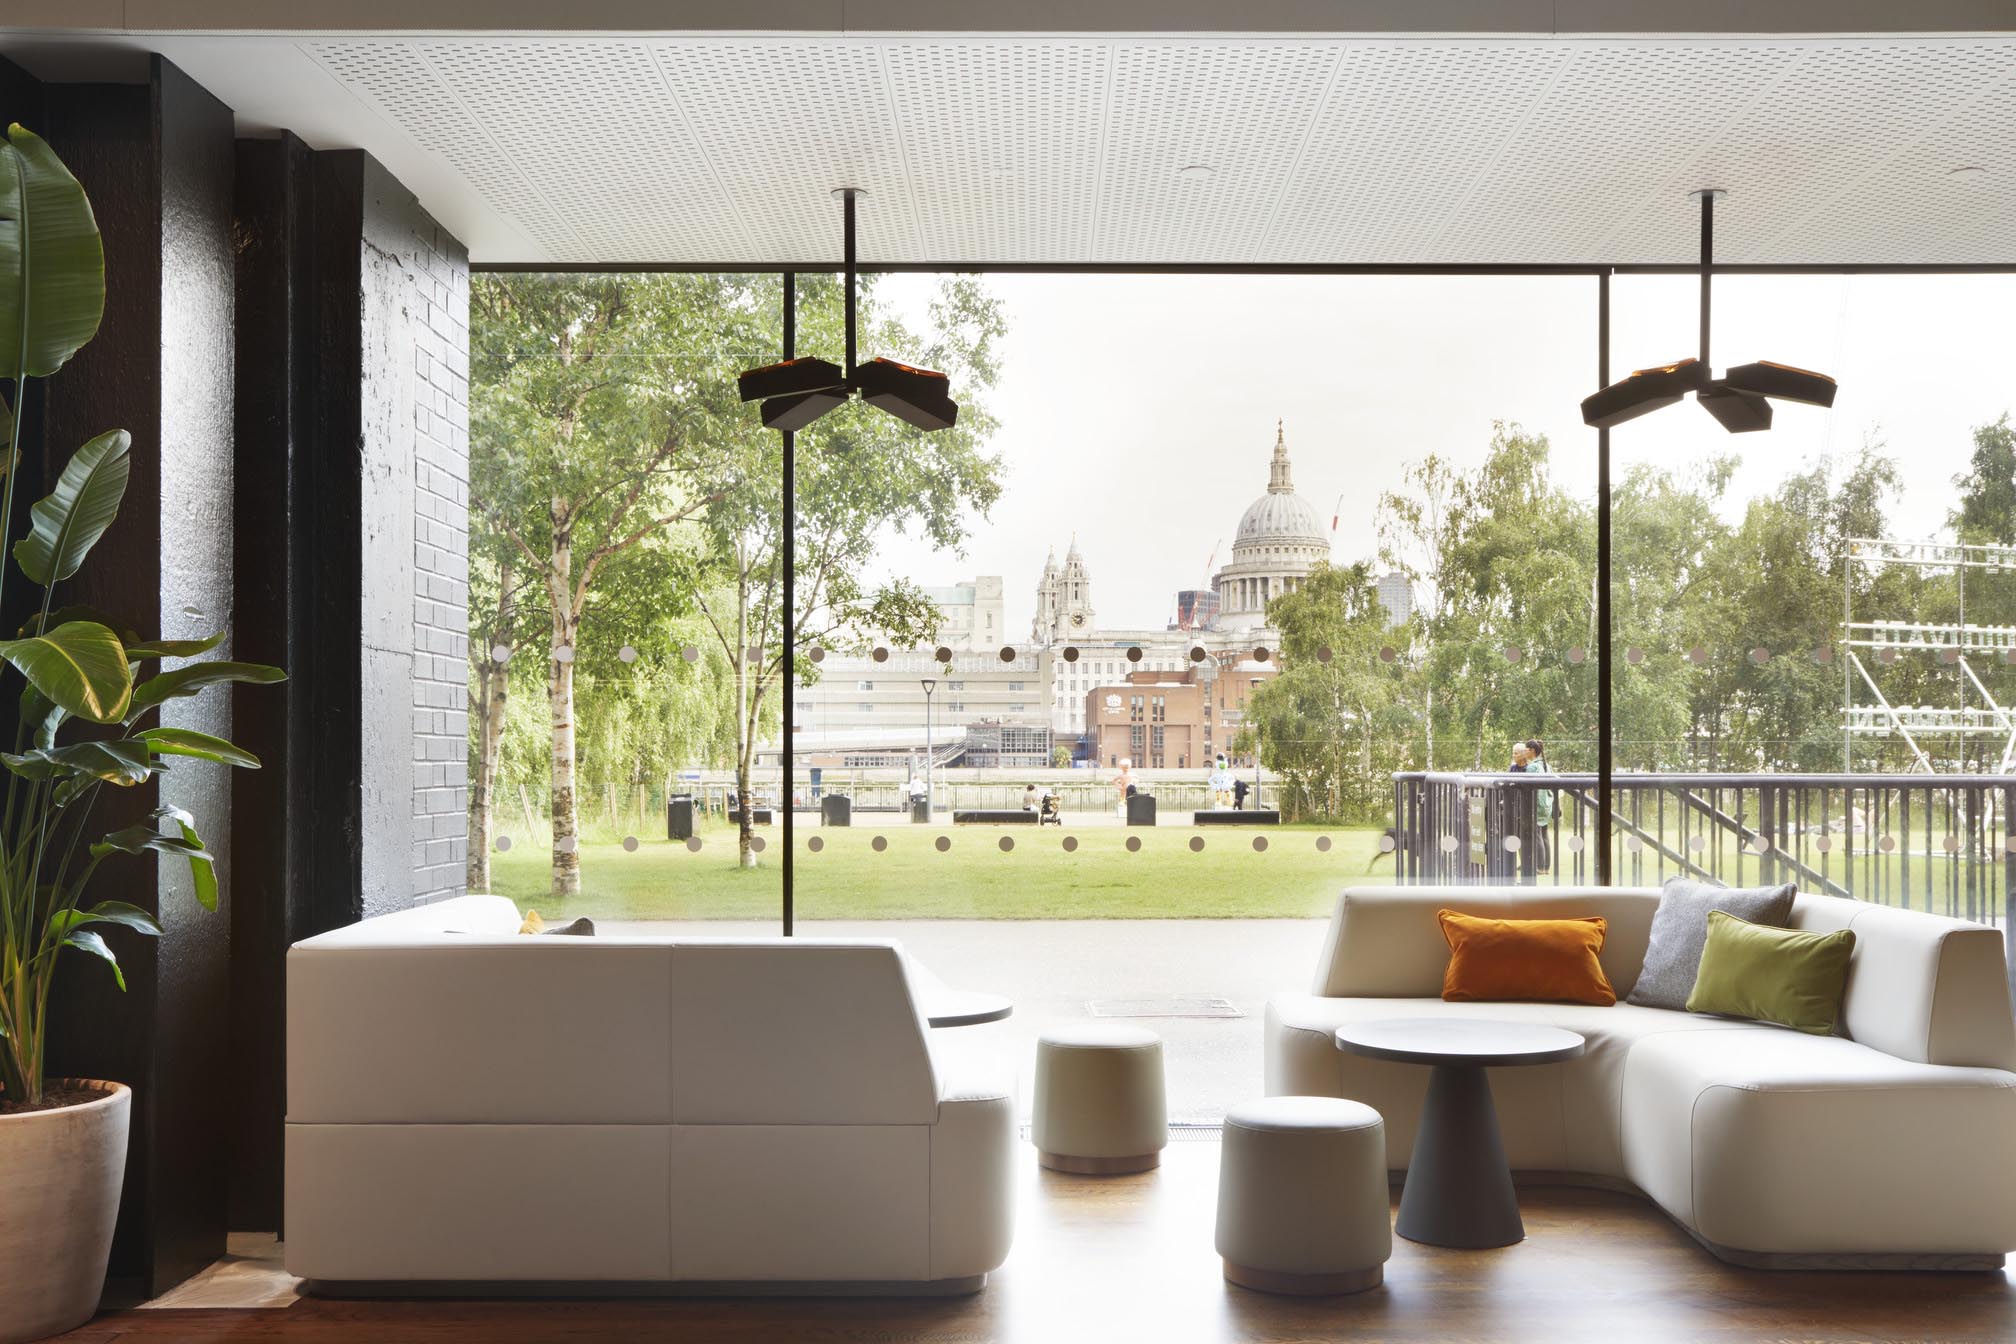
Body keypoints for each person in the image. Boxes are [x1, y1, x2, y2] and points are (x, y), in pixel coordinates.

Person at [1523, 738, 1554, 874]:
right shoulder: (1546, 765)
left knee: (1537, 835)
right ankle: (1546, 867)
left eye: (1526, 749)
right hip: (1547, 804)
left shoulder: (1532, 767)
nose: (1524, 752)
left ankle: (1540, 867)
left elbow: (1527, 787)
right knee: (1544, 834)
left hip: (1537, 804)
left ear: (1532, 751)